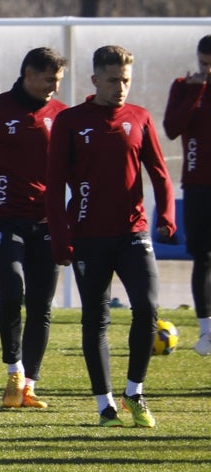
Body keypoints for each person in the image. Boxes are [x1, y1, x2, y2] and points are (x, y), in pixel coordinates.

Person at [46, 45, 175, 428]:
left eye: (126, 80)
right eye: (114, 80)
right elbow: (54, 187)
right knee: (96, 319)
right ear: (95, 80)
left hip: (133, 232)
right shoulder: (71, 122)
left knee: (148, 310)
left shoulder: (140, 117)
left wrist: (166, 214)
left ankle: (134, 392)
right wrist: (60, 236)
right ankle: (105, 404)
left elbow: (160, 173)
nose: (121, 88)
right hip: (88, 237)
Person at [0, 47, 68, 408]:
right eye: (49, 79)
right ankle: (13, 372)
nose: (54, 86)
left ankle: (30, 385)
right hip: (4, 218)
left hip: (48, 221)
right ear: (28, 74)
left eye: (58, 80)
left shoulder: (61, 115)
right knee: (12, 290)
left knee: (42, 304)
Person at [162, 34, 211, 356]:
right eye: (203, 64)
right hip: (198, 186)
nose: (206, 71)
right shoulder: (185, 86)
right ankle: (207, 332)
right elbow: (172, 128)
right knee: (203, 258)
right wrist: (195, 90)